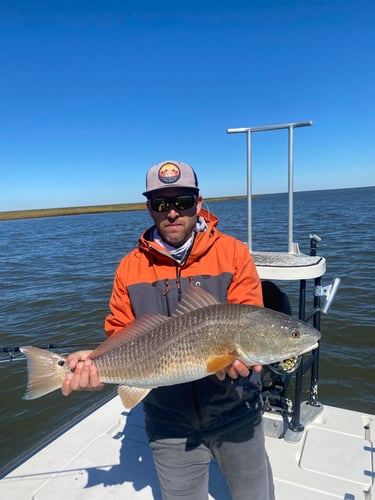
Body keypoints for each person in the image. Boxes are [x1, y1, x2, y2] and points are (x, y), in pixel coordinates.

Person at [62, 160, 275, 500]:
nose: (173, 212)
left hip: (237, 413)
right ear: (150, 208)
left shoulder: (233, 253)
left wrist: (233, 358)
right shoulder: (129, 267)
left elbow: (248, 314)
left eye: (183, 201)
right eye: (162, 204)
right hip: (168, 424)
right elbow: (120, 331)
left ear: (199, 203)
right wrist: (97, 364)